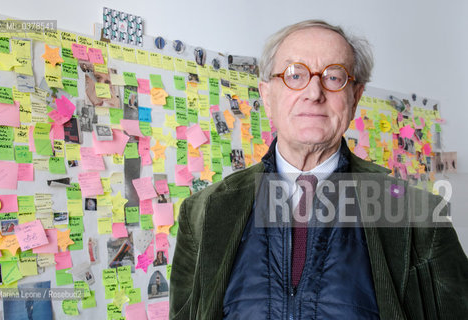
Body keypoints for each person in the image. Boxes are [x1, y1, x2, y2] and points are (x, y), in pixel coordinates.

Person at [170, 20, 468, 319]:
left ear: (355, 98)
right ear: (267, 96)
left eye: (334, 77)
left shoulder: (418, 217)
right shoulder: (205, 212)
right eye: (294, 75)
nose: (314, 92)